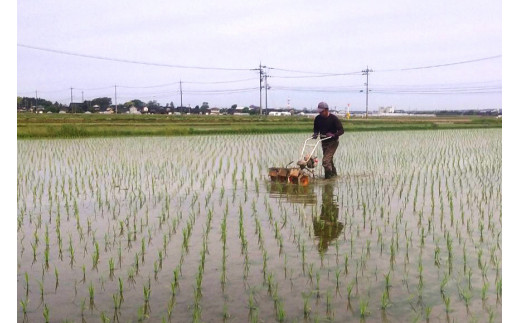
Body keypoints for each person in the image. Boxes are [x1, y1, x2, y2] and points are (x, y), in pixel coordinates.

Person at [312, 102, 344, 179]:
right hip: (324, 141)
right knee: (329, 160)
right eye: (319, 111)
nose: (320, 113)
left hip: (333, 142)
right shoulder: (318, 118)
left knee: (326, 161)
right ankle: (334, 176)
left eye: (321, 111)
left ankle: (328, 179)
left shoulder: (333, 119)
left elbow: (341, 130)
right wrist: (316, 133)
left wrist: (334, 135)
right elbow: (316, 128)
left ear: (326, 110)